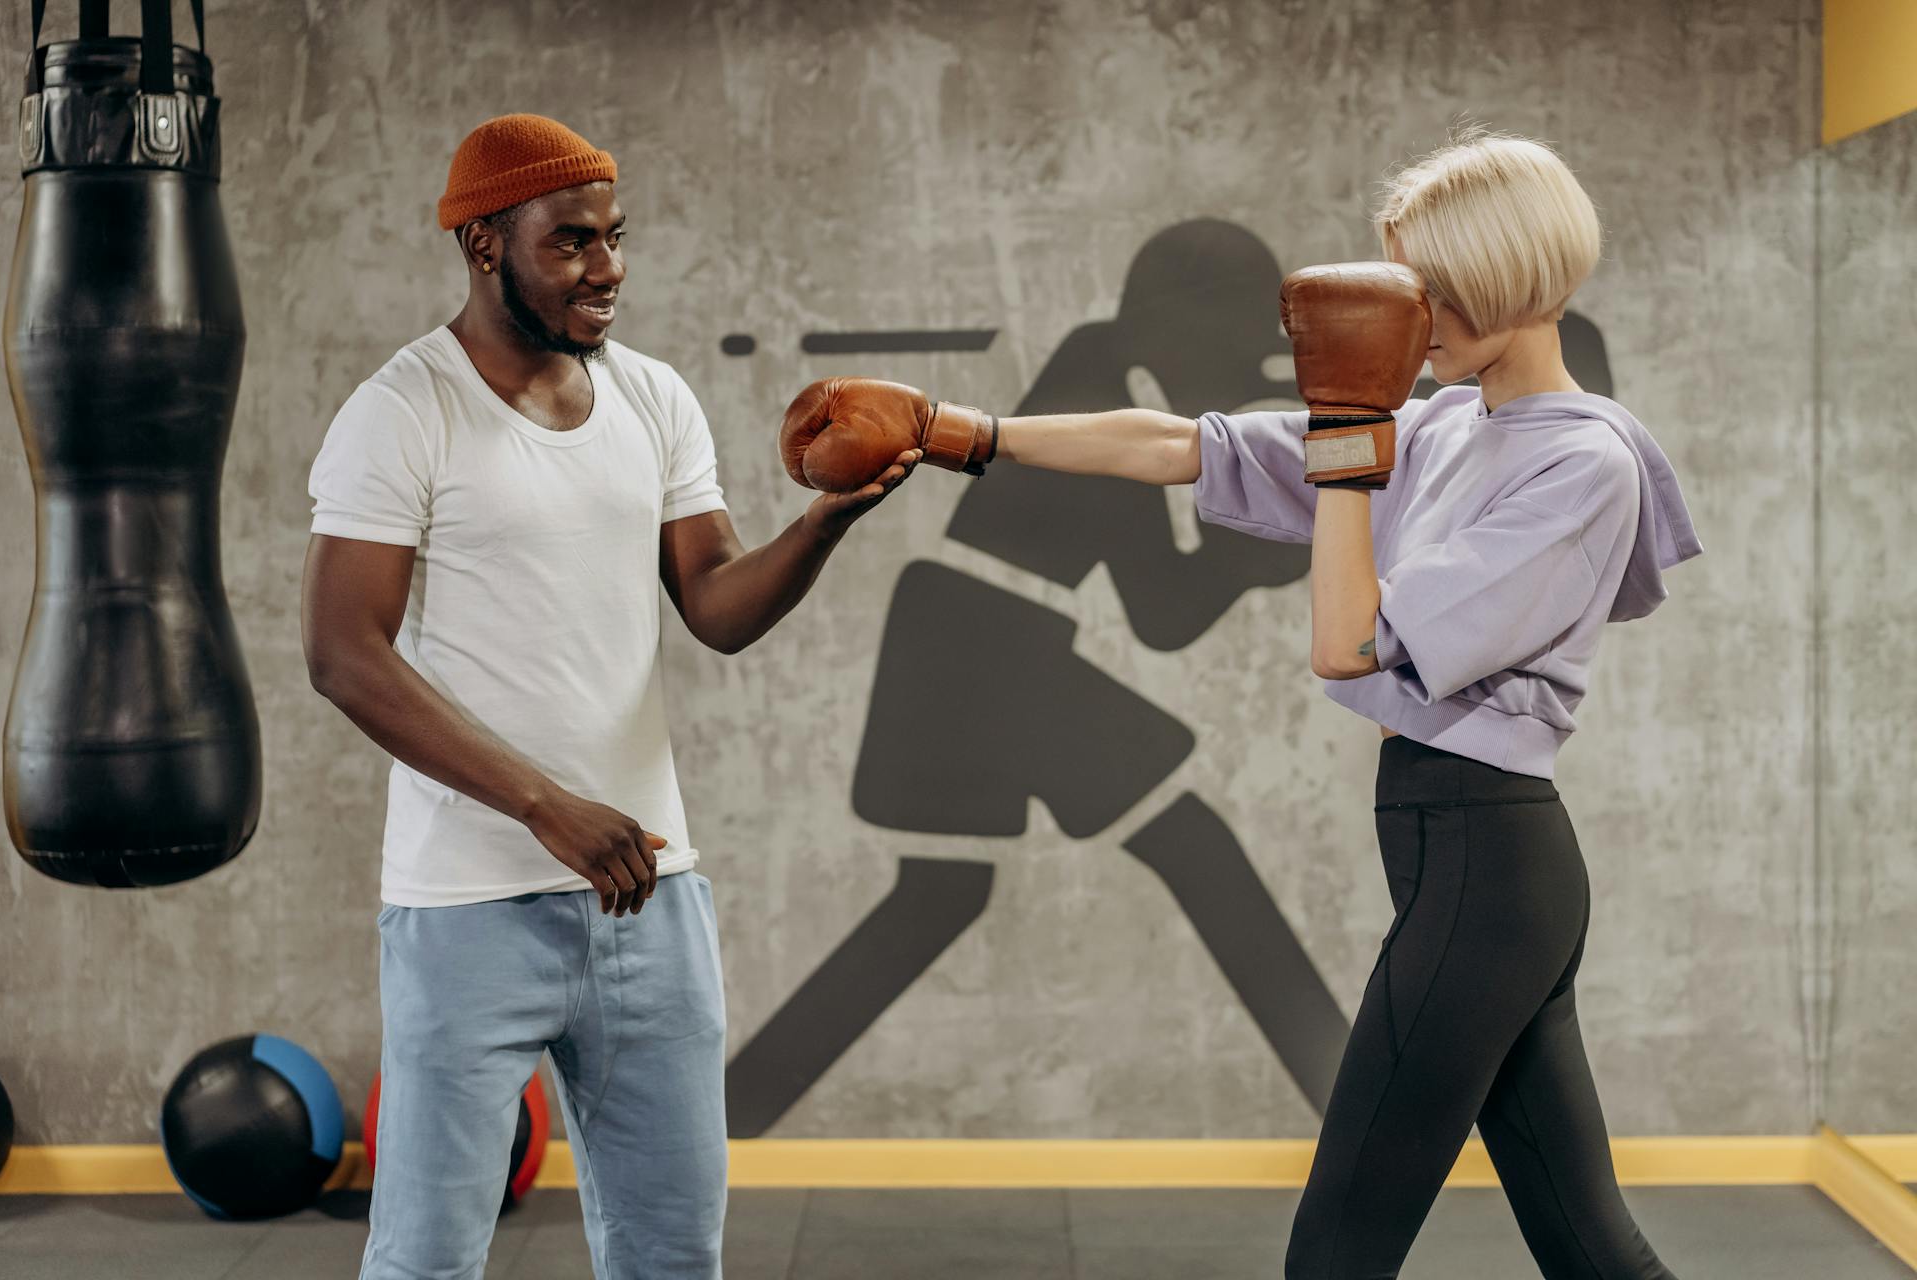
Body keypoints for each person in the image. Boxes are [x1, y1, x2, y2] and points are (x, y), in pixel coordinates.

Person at [779, 128, 1700, 1278]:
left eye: (1439, 289)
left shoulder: (1582, 464)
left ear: (1512, 278)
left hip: (1488, 863)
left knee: (1338, 1246)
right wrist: (957, 430)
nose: (1419, 317)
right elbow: (1178, 443)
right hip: (1453, 853)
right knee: (1588, 1243)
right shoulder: (1442, 425)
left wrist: (1354, 450)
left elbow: (1350, 643)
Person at [300, 114, 927, 1280]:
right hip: (466, 906)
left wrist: (824, 523)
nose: (608, 269)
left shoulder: (651, 398)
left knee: (671, 1253)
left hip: (649, 896)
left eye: (615, 238)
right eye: (571, 243)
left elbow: (718, 606)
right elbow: (345, 653)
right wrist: (550, 808)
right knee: (427, 1258)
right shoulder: (404, 410)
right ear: (485, 244)